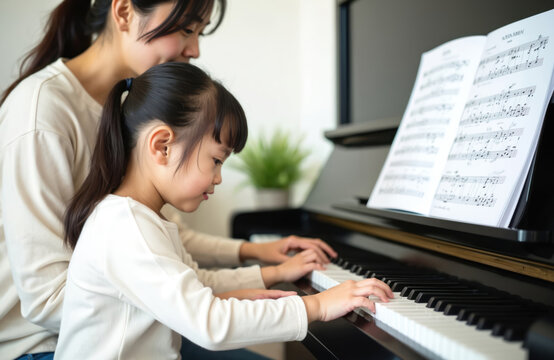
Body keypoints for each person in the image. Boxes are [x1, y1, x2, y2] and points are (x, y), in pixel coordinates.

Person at [0, 0, 338, 359]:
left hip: (141, 321)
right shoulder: (41, 115)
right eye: (186, 28)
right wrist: (202, 305)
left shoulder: (130, 118)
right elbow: (46, 301)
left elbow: (168, 251)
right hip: (44, 344)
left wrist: (255, 258)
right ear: (125, 12)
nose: (195, 49)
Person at [54, 61, 394, 359]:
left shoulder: (143, 218)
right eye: (216, 160)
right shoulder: (126, 226)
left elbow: (197, 282)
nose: (217, 178)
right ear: (162, 146)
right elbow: (209, 324)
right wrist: (317, 305)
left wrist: (272, 274)